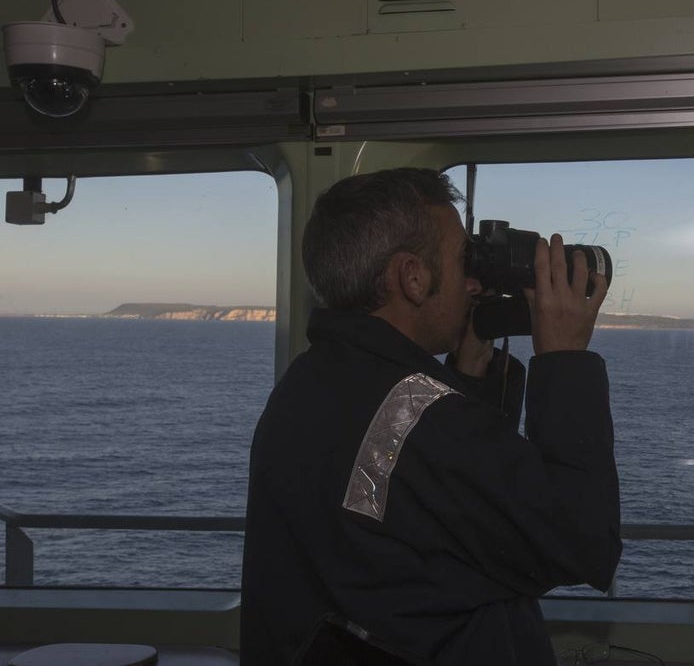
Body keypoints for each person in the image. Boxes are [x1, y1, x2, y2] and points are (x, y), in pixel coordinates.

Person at [240, 168, 621, 665]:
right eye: (464, 260)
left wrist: (470, 374)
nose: (474, 282)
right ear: (413, 278)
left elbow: (429, 519)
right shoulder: (421, 420)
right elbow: (584, 541)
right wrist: (565, 361)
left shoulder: (309, 382)